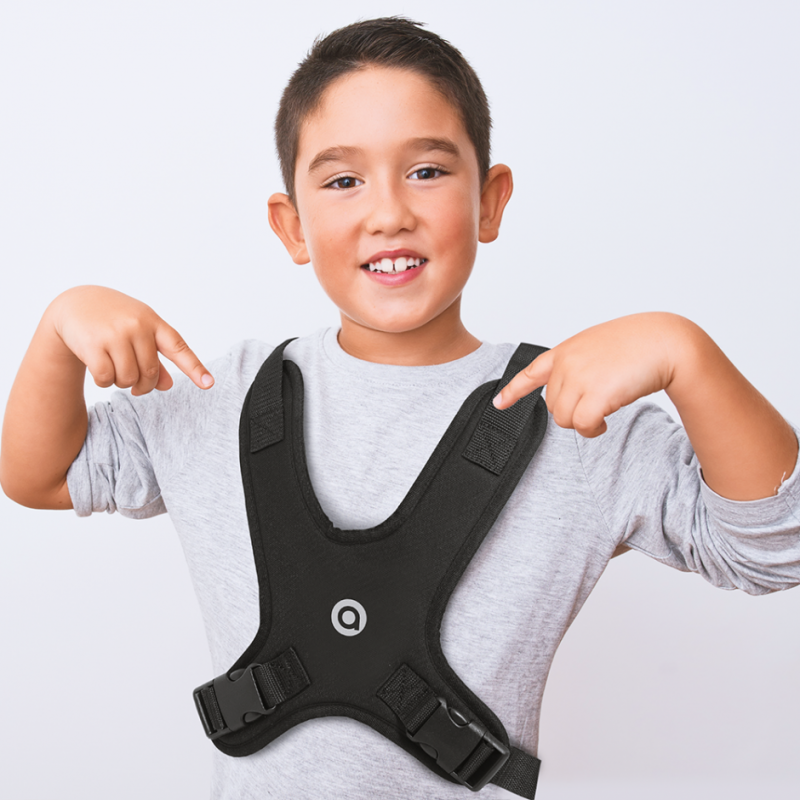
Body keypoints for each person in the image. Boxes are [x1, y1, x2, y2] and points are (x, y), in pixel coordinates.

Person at [1, 16, 798, 800]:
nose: (388, 212)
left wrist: (688, 357)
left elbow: (774, 550)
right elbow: (40, 476)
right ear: (292, 226)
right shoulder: (221, 397)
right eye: (343, 180)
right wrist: (59, 330)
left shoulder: (572, 411)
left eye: (426, 171)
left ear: (490, 202)